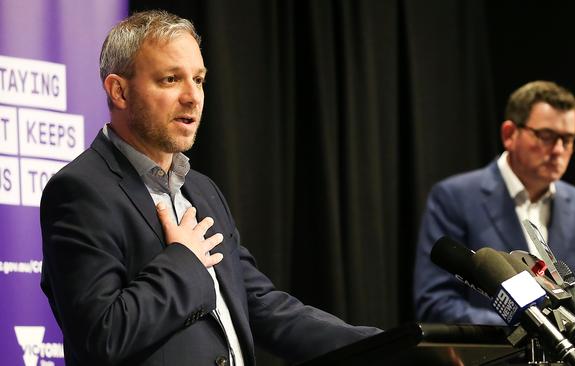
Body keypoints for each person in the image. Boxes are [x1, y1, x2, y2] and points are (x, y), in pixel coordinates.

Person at [40, 10, 380, 366]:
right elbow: (101, 336)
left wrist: (391, 346)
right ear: (119, 90)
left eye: (199, 80)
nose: (193, 97)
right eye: (171, 79)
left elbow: (261, 305)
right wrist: (183, 262)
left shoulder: (202, 191)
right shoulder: (81, 191)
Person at [413, 80, 575, 330]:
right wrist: (531, 332)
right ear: (509, 135)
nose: (558, 150)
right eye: (546, 136)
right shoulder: (454, 197)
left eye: (568, 140)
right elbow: (436, 303)